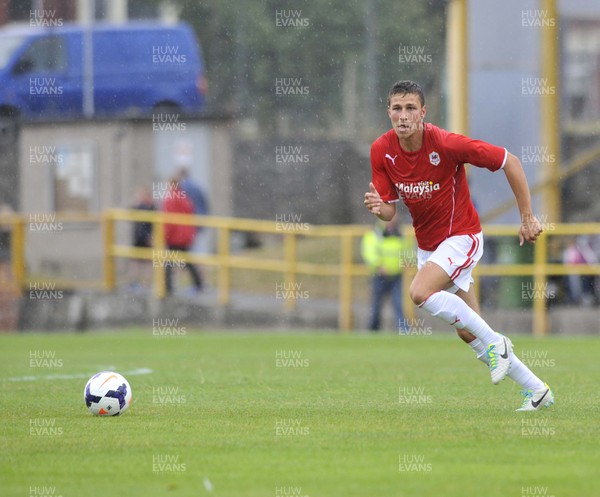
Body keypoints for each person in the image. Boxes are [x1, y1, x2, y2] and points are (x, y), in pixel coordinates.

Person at [363, 80, 553, 411]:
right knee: (468, 332)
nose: (403, 115)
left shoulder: (446, 144)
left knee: (419, 293)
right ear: (388, 112)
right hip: (431, 249)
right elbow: (390, 209)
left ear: (423, 113)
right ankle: (536, 389)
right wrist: (381, 209)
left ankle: (498, 344)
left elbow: (510, 161)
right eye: (397, 108)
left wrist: (527, 217)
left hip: (462, 236)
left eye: (411, 108)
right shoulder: (382, 150)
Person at [361, 218, 410, 331]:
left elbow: (407, 253)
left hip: (396, 276)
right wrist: (378, 265)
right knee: (376, 305)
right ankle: (373, 329)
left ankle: (404, 330)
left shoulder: (400, 235)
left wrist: (406, 262)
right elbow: (369, 252)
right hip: (379, 276)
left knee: (398, 304)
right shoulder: (374, 235)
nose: (391, 221)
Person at [162, 178, 203, 295]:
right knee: (186, 261)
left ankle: (167, 287)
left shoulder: (170, 199)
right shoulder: (185, 199)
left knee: (169, 262)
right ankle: (198, 284)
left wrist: (165, 235)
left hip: (175, 236)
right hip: (184, 236)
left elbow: (169, 221)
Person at [129, 187, 155, 290]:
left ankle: (145, 284)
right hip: (138, 238)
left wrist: (151, 237)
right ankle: (135, 283)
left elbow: (152, 225)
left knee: (147, 262)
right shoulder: (139, 206)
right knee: (136, 262)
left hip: (147, 238)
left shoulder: (151, 207)